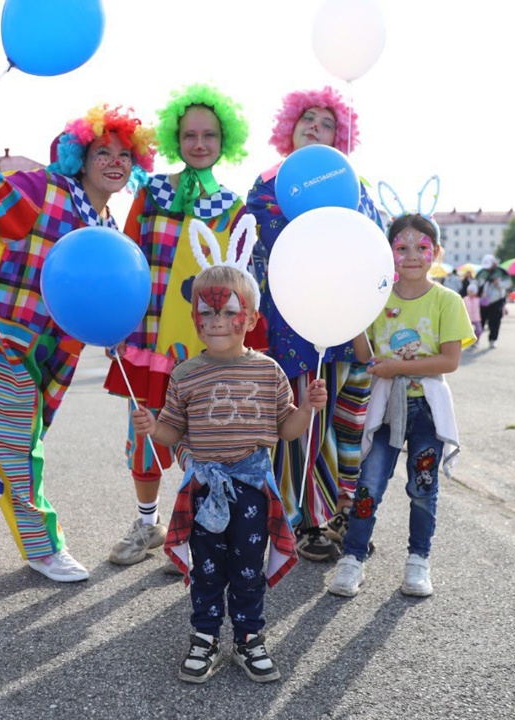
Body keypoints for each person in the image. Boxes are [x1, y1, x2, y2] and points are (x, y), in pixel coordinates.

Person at [0, 105, 157, 582]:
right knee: (18, 445)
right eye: (101, 151)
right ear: (79, 158)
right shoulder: (43, 190)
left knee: (9, 443)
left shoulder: (107, 227)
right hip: (0, 330)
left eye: (124, 154)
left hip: (55, 352)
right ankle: (43, 546)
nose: (114, 161)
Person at [131, 262, 328, 684]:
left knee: (246, 569)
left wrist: (309, 408)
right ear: (194, 319)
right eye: (207, 313)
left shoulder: (268, 370)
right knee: (206, 570)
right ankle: (204, 636)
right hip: (203, 491)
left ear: (251, 318)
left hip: (253, 490)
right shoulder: (184, 374)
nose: (216, 321)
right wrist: (152, 428)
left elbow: (287, 429)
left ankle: (248, 637)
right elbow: (172, 430)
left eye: (228, 312)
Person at [103, 84, 251, 568]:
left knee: (201, 438)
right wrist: (114, 322)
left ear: (224, 140)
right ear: (176, 138)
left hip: (205, 343)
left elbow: (240, 280)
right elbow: (126, 260)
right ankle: (148, 523)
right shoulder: (151, 193)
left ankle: (191, 532)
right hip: (146, 338)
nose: (199, 143)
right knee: (145, 432)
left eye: (209, 134)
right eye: (190, 134)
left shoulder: (233, 204)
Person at [245, 85, 385, 563]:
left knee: (344, 424)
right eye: (307, 119)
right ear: (290, 126)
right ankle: (301, 522)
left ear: (340, 136)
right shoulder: (268, 184)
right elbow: (273, 238)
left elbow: (372, 242)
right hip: (292, 318)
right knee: (301, 420)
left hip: (347, 319)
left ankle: (340, 507)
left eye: (327, 123)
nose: (315, 128)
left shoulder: (357, 187)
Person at [328, 213, 475, 599]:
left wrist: (397, 367)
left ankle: (418, 561)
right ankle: (353, 558)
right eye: (401, 247)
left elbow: (450, 361)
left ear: (436, 253)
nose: (411, 255)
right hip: (386, 408)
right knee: (370, 484)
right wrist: (357, 314)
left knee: (422, 487)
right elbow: (365, 355)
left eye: (421, 247)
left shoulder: (448, 300)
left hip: (427, 409)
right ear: (389, 253)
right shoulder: (378, 299)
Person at [478, 259, 507, 348]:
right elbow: (478, 284)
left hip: (496, 302)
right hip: (485, 302)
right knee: (481, 321)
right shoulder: (484, 275)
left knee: (495, 322)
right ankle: (476, 339)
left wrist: (498, 284)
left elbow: (505, 288)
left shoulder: (501, 275)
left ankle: (492, 339)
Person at [463, 284, 482, 348]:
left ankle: (477, 341)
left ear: (475, 292)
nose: (470, 292)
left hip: (476, 318)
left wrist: (484, 296)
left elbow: (486, 303)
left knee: (479, 330)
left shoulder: (478, 299)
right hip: (467, 318)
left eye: (472, 291)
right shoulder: (464, 299)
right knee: (468, 332)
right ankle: (469, 342)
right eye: (469, 291)